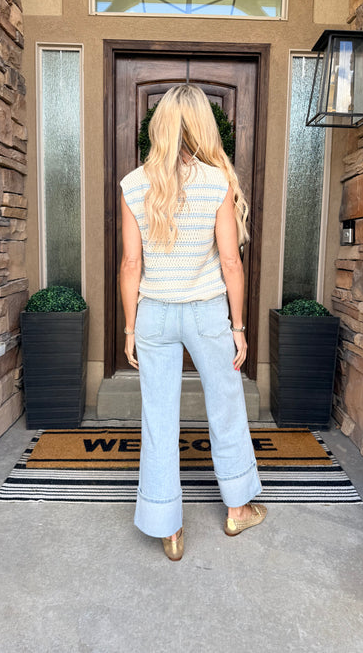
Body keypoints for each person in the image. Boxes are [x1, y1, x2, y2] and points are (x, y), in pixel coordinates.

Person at [119, 84, 266, 561]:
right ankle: (238, 508)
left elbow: (130, 265)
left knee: (158, 417)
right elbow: (231, 262)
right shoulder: (216, 182)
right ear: (203, 126)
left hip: (154, 313)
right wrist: (239, 327)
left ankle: (169, 528)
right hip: (206, 312)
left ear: (160, 125)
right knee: (226, 405)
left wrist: (129, 329)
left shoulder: (133, 184)